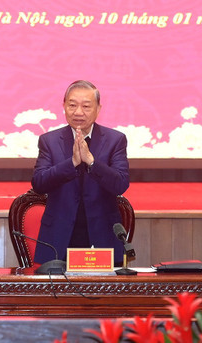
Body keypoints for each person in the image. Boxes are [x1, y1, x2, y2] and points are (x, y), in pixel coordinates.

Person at [32, 80, 130, 266]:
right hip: (58, 238)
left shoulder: (115, 140)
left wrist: (91, 162)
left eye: (86, 106)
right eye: (72, 105)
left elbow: (120, 184)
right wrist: (73, 163)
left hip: (102, 237)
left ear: (98, 109)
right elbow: (39, 183)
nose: (78, 112)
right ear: (64, 106)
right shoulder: (49, 141)